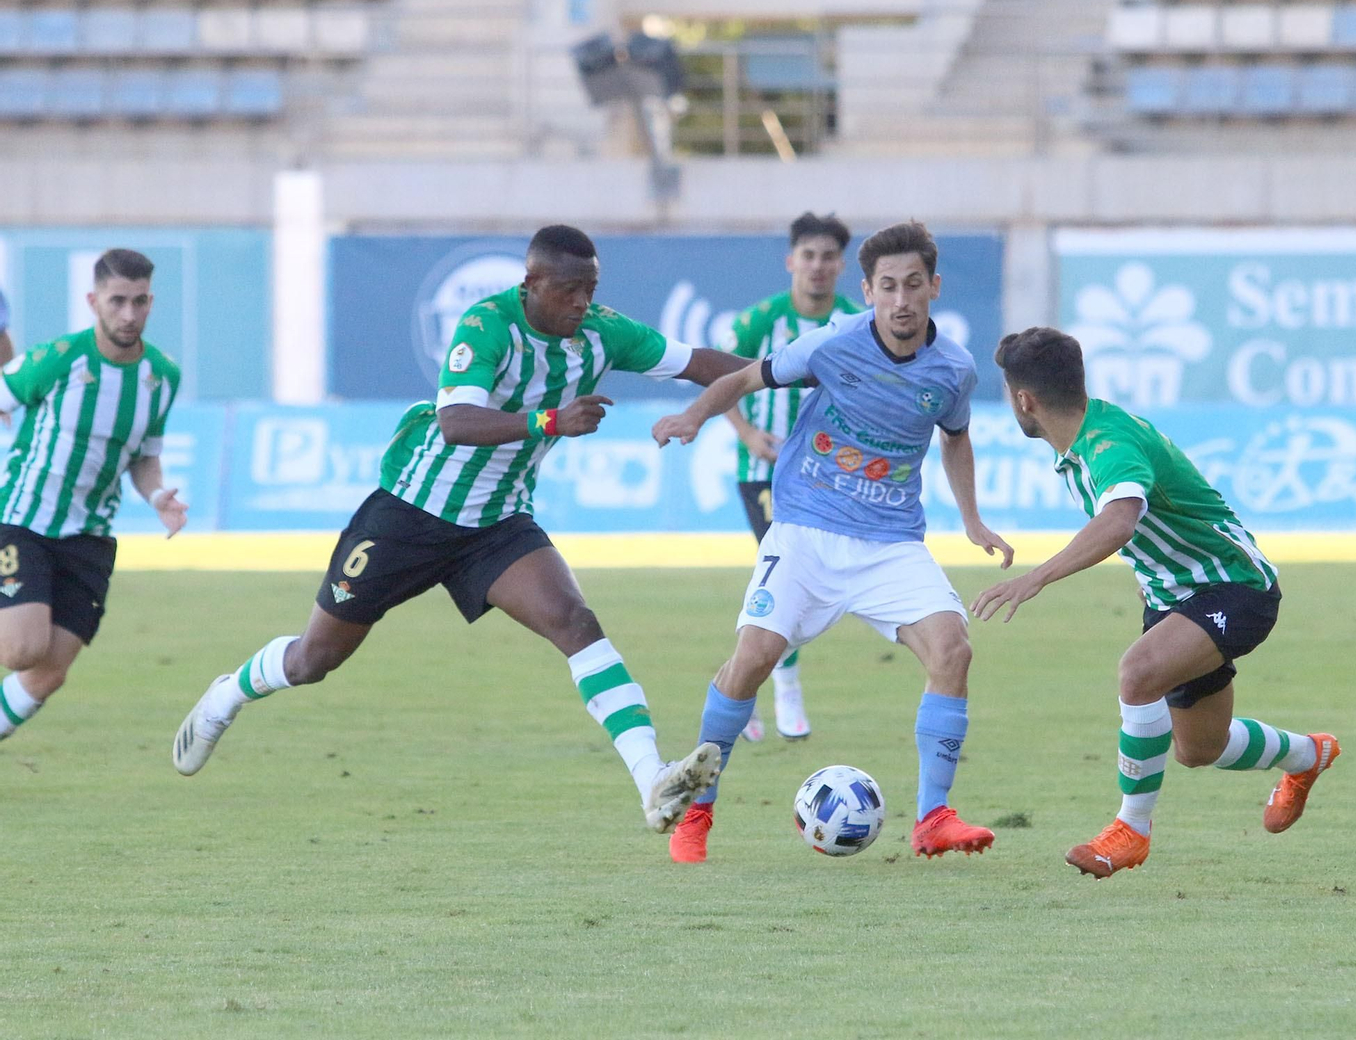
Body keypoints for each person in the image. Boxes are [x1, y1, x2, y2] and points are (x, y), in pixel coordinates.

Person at [172, 225, 751, 835]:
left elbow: (701, 363)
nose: (581, 303)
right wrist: (551, 418)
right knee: (314, 659)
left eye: (590, 289)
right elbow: (455, 422)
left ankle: (651, 780)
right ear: (531, 284)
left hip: (496, 524)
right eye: (568, 290)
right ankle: (226, 695)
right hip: (410, 515)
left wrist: (791, 370)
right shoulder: (487, 325)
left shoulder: (605, 333)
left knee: (575, 623)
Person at [652, 221, 1014, 864]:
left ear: (934, 286)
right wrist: (693, 416)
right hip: (806, 531)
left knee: (952, 649)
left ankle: (933, 817)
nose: (901, 300)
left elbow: (956, 437)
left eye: (912, 285)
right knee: (752, 660)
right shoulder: (832, 344)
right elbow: (742, 379)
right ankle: (697, 813)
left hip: (890, 542)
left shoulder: (954, 368)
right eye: (886, 287)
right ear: (868, 291)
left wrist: (972, 519)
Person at [972, 327, 1339, 879]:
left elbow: (1119, 521)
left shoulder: (1108, 445)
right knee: (1198, 748)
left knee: (1137, 673)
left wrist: (1036, 579)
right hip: (1173, 597)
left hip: (1234, 587)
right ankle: (1309, 755)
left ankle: (1131, 831)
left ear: (1024, 400)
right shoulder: (1088, 435)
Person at [0, 249, 187, 744]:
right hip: (23, 520)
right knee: (22, 650)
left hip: (91, 539)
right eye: (118, 301)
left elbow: (144, 457)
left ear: (152, 301)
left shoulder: (162, 376)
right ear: (93, 300)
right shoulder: (59, 358)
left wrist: (157, 497)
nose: (129, 314)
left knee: (47, 674)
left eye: (140, 301)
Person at [722, 212, 863, 743]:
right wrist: (747, 434)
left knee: (797, 584)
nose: (818, 266)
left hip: (825, 478)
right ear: (791, 262)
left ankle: (750, 685)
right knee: (783, 578)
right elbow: (721, 381)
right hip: (763, 473)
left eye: (828, 257)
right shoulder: (761, 320)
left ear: (841, 266)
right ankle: (783, 688)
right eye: (809, 256)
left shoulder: (855, 319)